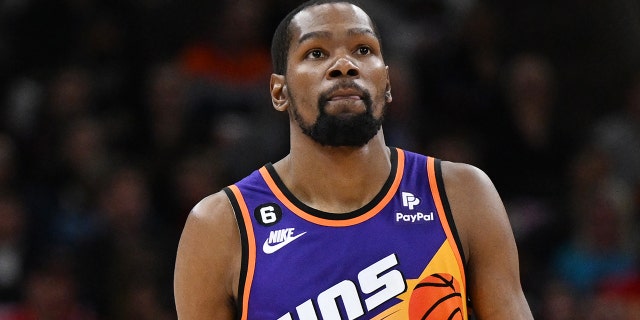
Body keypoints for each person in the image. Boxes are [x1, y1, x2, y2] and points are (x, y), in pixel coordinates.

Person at [174, 1, 534, 319]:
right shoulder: (221, 226)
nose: (344, 64)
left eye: (363, 49)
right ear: (279, 91)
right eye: (316, 53)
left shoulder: (461, 194)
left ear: (388, 83)